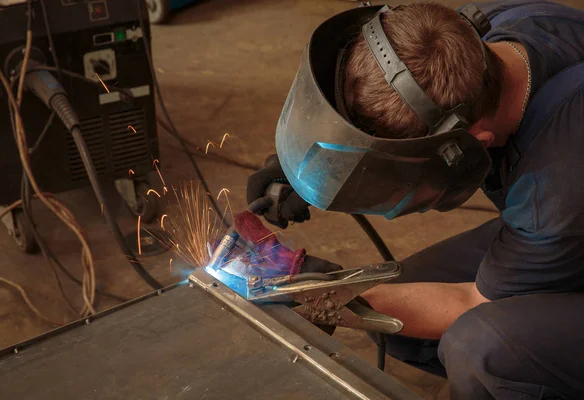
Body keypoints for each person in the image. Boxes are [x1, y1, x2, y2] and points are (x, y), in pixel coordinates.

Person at [246, 1, 584, 399]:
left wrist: (324, 296)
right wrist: (311, 167)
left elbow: (468, 301)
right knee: (406, 297)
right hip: (569, 223)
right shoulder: (485, 34)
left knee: (480, 346)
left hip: (566, 211)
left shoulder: (556, 179)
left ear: (472, 147)